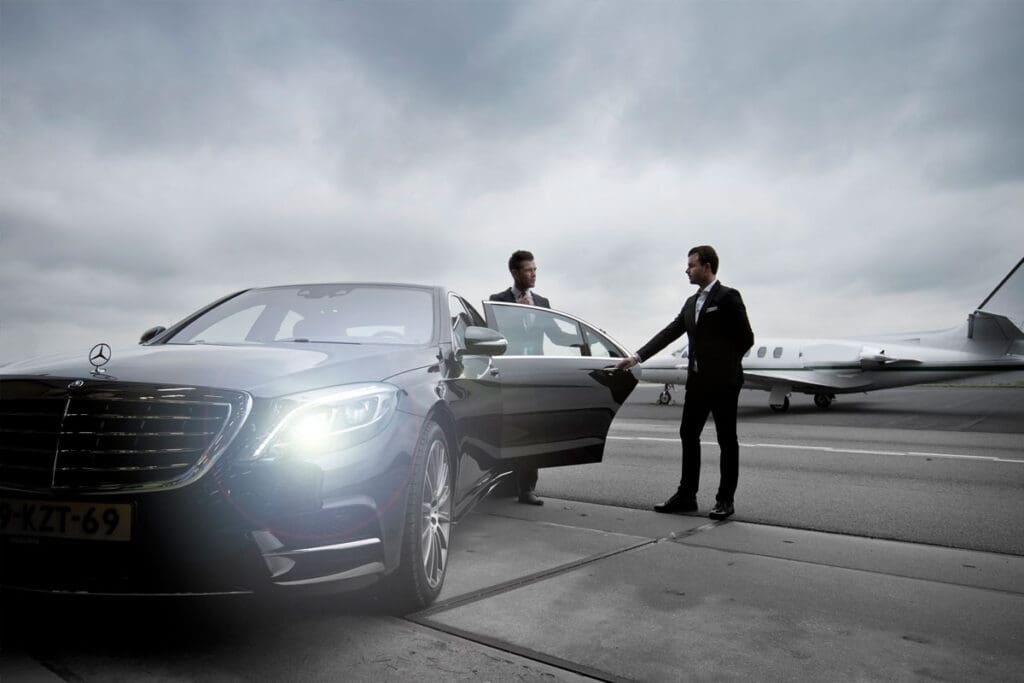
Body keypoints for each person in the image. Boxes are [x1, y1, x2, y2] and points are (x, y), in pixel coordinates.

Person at [616, 245, 754, 520]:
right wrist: (638, 357)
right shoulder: (691, 303)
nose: (687, 270)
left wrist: (723, 366)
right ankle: (686, 496)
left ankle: (725, 500)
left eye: (691, 265)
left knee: (727, 440)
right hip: (697, 382)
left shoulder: (727, 297)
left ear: (707, 266)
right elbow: (670, 332)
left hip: (724, 382)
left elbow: (746, 338)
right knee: (688, 434)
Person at [490, 249, 548, 505]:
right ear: (515, 273)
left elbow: (557, 335)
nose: (534, 274)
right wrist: (517, 313)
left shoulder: (543, 303)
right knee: (507, 431)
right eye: (528, 270)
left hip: (534, 378)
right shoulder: (498, 300)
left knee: (531, 433)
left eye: (535, 269)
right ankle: (504, 484)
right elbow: (496, 335)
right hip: (508, 377)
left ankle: (527, 489)